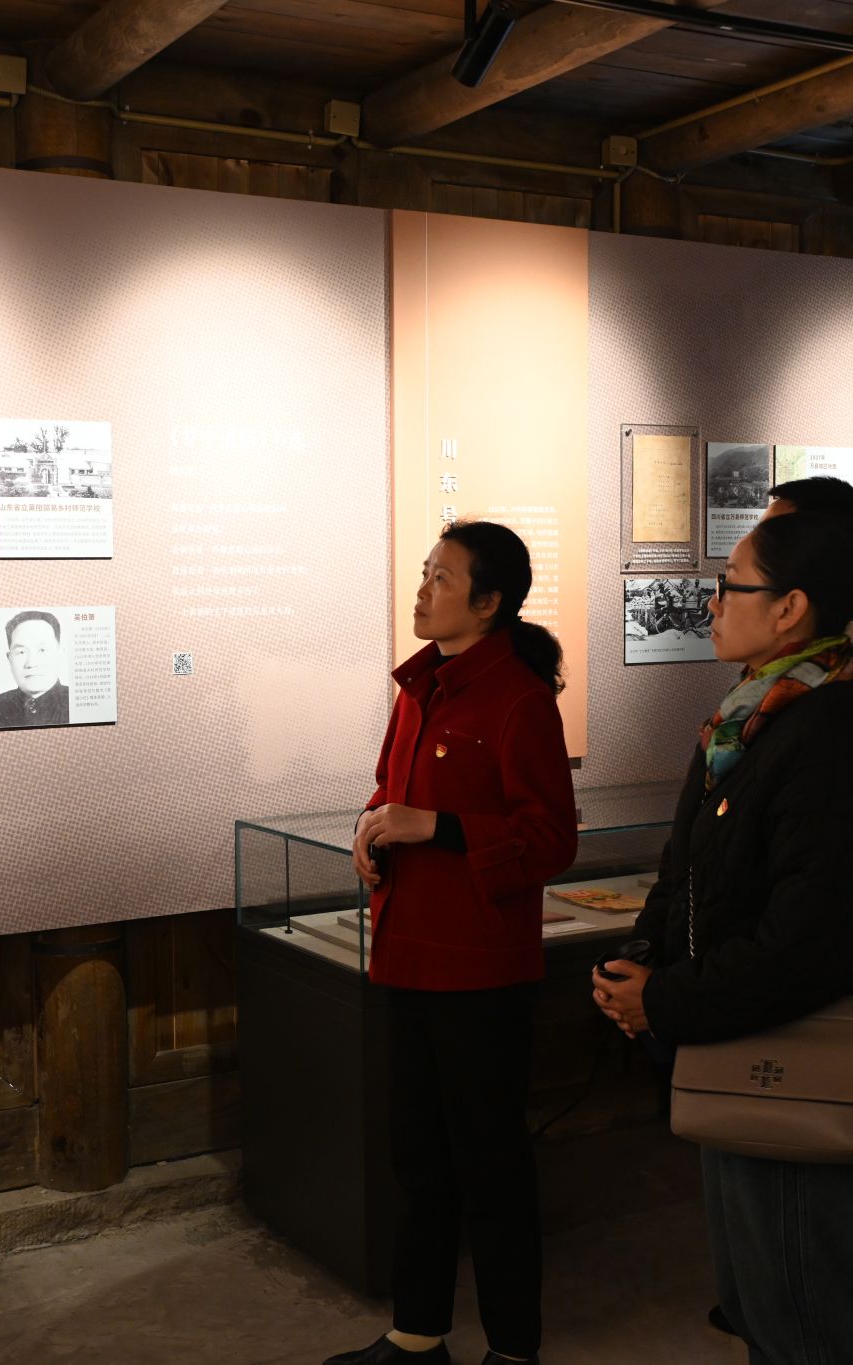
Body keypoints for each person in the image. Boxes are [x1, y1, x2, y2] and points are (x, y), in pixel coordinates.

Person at [591, 508, 853, 1365]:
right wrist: (642, 958)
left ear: (789, 608)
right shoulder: (752, 718)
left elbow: (809, 943)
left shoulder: (832, 734)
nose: (711, 604)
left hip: (792, 1061)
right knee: (759, 1302)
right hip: (730, 1039)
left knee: (803, 1317)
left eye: (728, 585)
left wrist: (667, 999)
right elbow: (691, 867)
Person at [326, 520, 578, 1365]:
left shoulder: (518, 696)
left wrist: (433, 826)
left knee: (491, 1167)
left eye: (443, 577)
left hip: (480, 970)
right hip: (407, 950)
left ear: (489, 601)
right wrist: (370, 828)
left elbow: (551, 839)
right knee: (418, 1159)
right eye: (425, 572)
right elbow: (390, 787)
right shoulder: (419, 686)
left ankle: (514, 1348)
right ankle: (417, 1331)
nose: (423, 588)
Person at [0, 609, 71, 728]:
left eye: (42, 650)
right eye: (21, 652)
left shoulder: (77, 702)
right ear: (9, 658)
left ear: (60, 654)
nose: (31, 663)